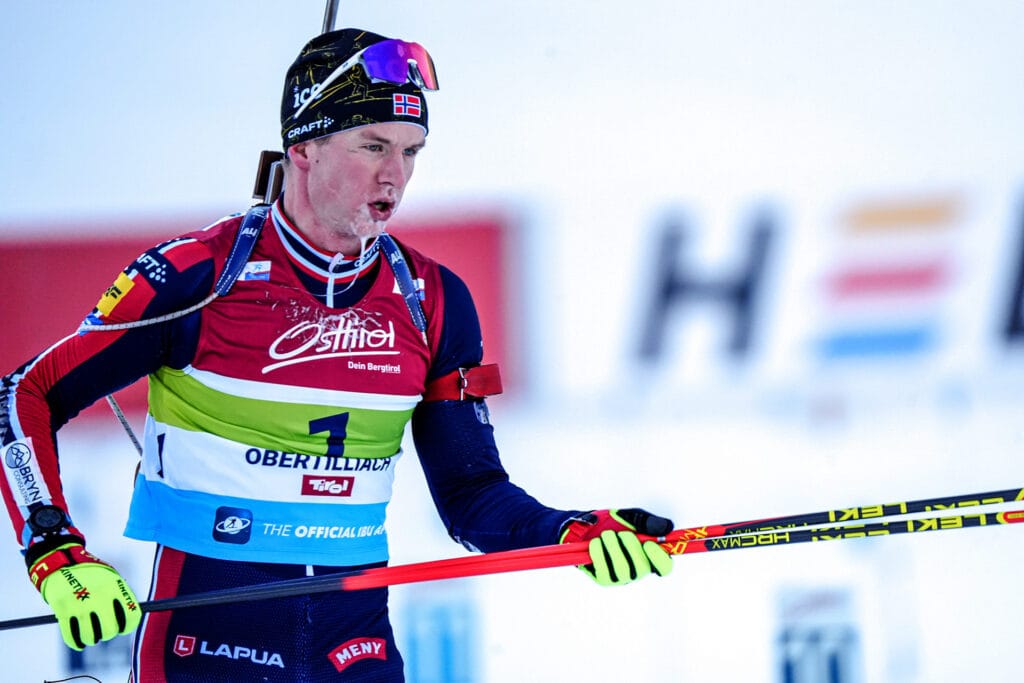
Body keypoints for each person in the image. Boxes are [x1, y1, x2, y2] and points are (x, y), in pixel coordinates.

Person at [0, 28, 674, 681]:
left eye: (411, 150)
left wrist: (571, 533)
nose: (395, 175)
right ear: (304, 148)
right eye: (373, 145)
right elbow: (24, 394)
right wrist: (57, 554)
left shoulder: (432, 299)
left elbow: (472, 497)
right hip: (203, 654)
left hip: (355, 654)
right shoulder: (199, 276)